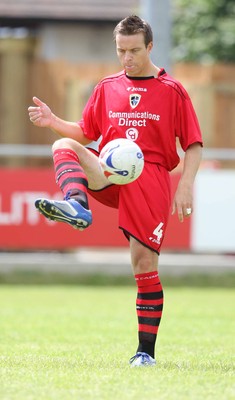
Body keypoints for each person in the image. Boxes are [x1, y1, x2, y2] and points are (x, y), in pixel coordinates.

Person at [28, 15, 202, 367]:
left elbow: (194, 144)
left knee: (143, 264)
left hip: (150, 177)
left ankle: (145, 353)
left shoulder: (172, 90)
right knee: (63, 145)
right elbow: (85, 132)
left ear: (150, 46)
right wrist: (52, 121)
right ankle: (77, 205)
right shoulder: (107, 87)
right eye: (121, 51)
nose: (127, 58)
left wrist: (185, 186)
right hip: (110, 170)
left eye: (135, 50)